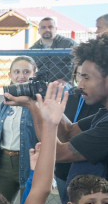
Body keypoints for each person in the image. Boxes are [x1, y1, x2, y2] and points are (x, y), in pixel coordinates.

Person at [45, 35, 108, 171]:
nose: (80, 85)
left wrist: (34, 107)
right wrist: (48, 105)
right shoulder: (104, 113)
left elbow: (58, 153)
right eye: (79, 77)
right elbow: (68, 132)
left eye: (86, 78)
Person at [0, 56, 40, 204]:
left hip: (30, 165)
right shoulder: (4, 104)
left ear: (34, 74)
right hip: (4, 164)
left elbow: (47, 139)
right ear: (10, 75)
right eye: (16, 71)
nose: (21, 76)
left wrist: (49, 173)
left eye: (26, 71)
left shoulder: (39, 103)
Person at [29, 17, 78, 84]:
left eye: (50, 27)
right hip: (40, 85)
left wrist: (66, 79)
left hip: (64, 85)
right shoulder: (33, 49)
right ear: (38, 30)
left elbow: (79, 63)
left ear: (56, 29)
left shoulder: (69, 44)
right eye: (43, 27)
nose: (47, 30)